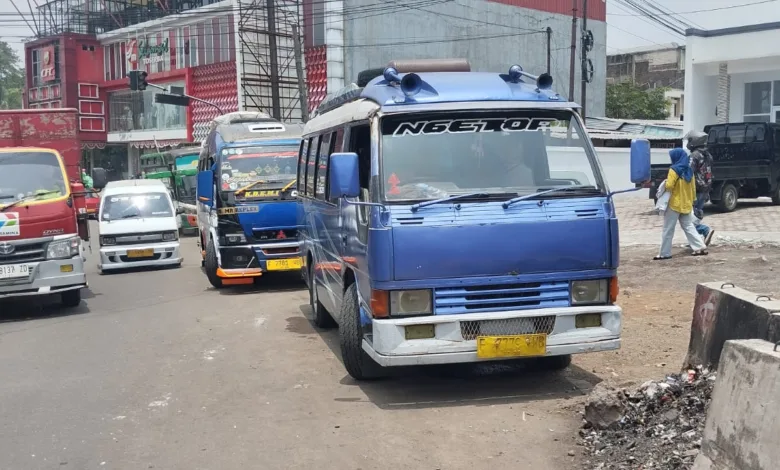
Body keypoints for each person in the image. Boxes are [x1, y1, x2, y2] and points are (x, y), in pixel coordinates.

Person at [654, 148, 708, 260]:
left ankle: (665, 253)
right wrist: (692, 200)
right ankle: (700, 247)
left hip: (674, 204)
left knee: (668, 229)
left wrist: (665, 182)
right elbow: (693, 188)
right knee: (689, 226)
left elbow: (669, 186)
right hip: (686, 204)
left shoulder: (673, 170)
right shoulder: (689, 171)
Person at [686, 130, 715, 246]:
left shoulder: (694, 156)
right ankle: (695, 240)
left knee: (688, 219)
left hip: (695, 190)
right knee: (696, 215)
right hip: (705, 188)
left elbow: (689, 172)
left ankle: (705, 230)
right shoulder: (708, 155)